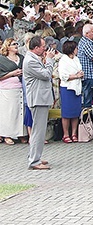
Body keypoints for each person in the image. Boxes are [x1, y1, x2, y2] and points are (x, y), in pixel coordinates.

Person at [23, 36, 56, 170]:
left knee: (39, 130)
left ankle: (35, 156)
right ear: (36, 48)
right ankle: (34, 161)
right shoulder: (30, 61)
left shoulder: (33, 58)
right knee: (38, 130)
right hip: (37, 99)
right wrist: (49, 60)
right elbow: (46, 74)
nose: (45, 49)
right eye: (43, 46)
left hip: (41, 98)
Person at [0, 38, 26, 145]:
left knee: (20, 112)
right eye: (13, 44)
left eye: (17, 44)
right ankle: (7, 134)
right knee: (9, 112)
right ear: (8, 46)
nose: (16, 45)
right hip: (7, 88)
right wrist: (13, 73)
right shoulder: (2, 59)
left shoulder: (21, 58)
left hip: (20, 87)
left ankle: (21, 134)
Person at [57, 40, 84, 143]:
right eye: (76, 48)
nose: (77, 50)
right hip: (67, 88)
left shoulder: (76, 59)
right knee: (67, 112)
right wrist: (76, 76)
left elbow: (79, 70)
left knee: (75, 112)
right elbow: (63, 76)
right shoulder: (63, 60)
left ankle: (74, 133)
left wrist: (80, 74)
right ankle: (65, 134)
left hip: (77, 87)